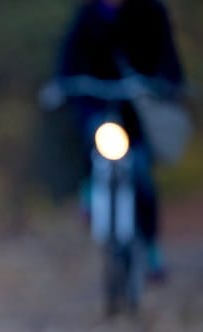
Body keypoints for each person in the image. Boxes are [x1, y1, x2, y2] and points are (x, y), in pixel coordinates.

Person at [44, 0, 186, 281]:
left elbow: (167, 54)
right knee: (90, 138)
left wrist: (169, 82)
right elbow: (69, 53)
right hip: (95, 101)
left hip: (137, 107)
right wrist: (62, 83)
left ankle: (152, 246)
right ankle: (88, 189)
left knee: (142, 173)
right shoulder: (89, 12)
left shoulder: (151, 11)